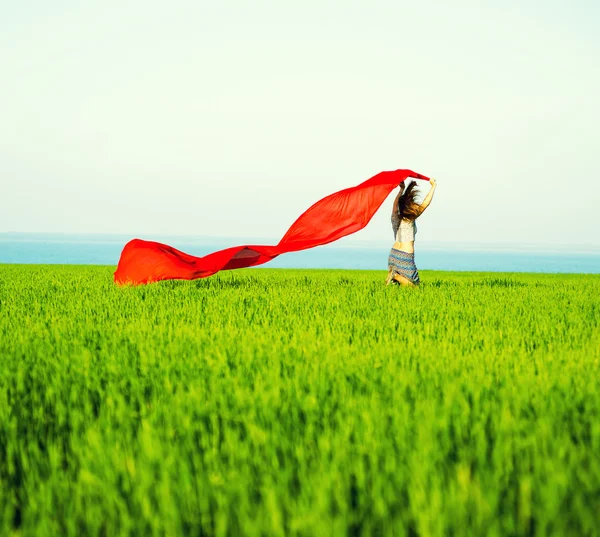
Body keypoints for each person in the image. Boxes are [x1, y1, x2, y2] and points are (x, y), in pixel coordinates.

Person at [386, 178, 437, 286]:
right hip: (405, 256)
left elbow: (395, 206)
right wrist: (433, 186)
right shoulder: (410, 219)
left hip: (393, 254)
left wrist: (401, 190)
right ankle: (395, 275)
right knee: (415, 286)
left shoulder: (395, 218)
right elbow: (425, 204)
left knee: (398, 288)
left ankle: (394, 276)